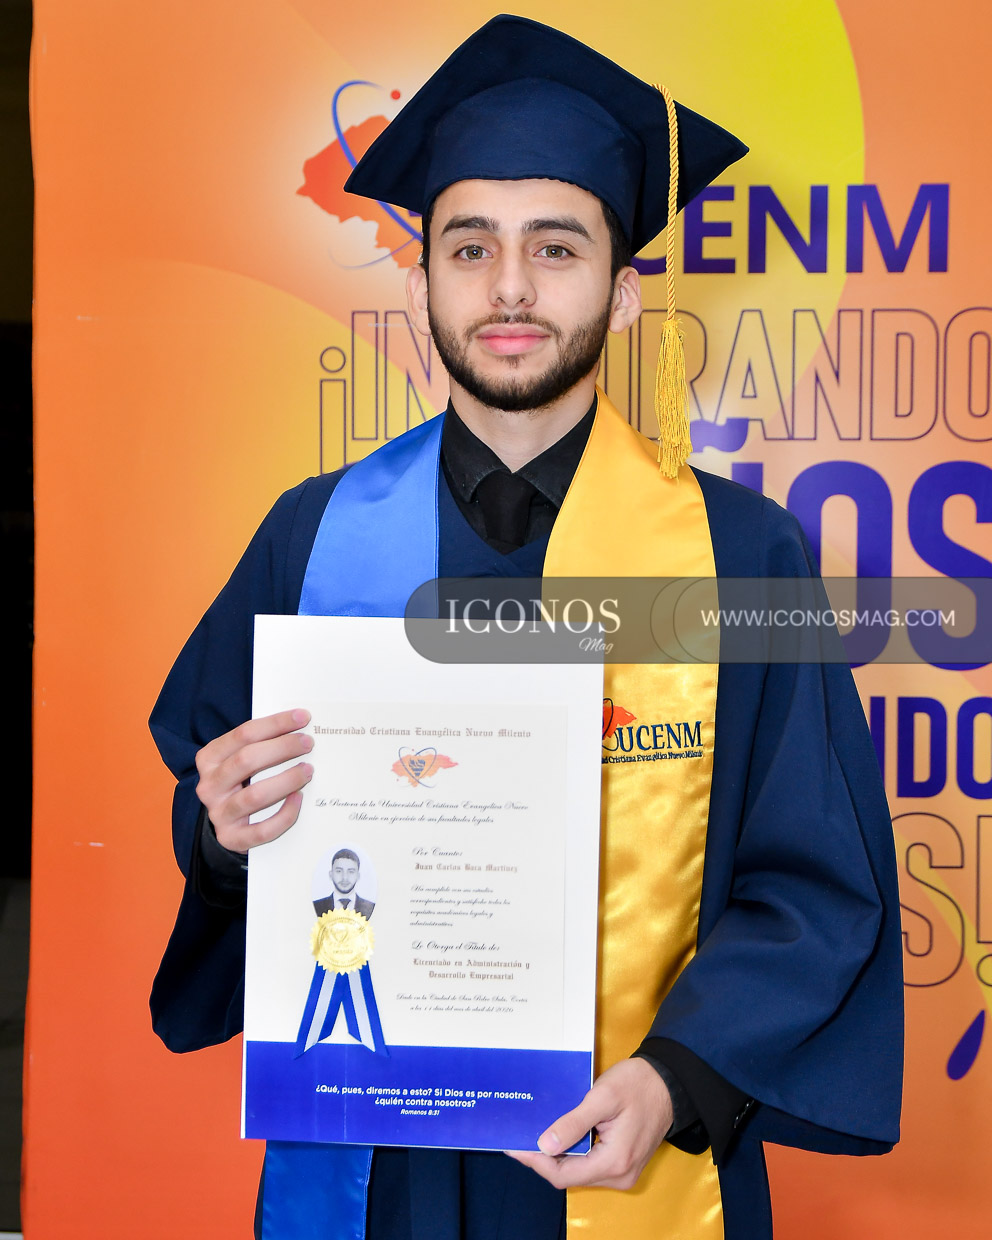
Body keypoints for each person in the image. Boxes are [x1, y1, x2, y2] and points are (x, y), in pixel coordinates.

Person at [149, 14, 903, 1240]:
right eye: (469, 248)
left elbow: (815, 887)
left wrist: (676, 1081)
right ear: (418, 290)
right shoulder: (313, 536)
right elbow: (215, 807)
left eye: (555, 247)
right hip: (378, 1172)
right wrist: (222, 832)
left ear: (623, 291)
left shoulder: (739, 555)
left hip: (627, 1147)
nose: (508, 287)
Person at [313, 848, 375, 919]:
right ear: (331, 874)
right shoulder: (316, 907)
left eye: (351, 871)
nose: (345, 878)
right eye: (339, 871)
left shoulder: (370, 908)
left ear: (358, 876)